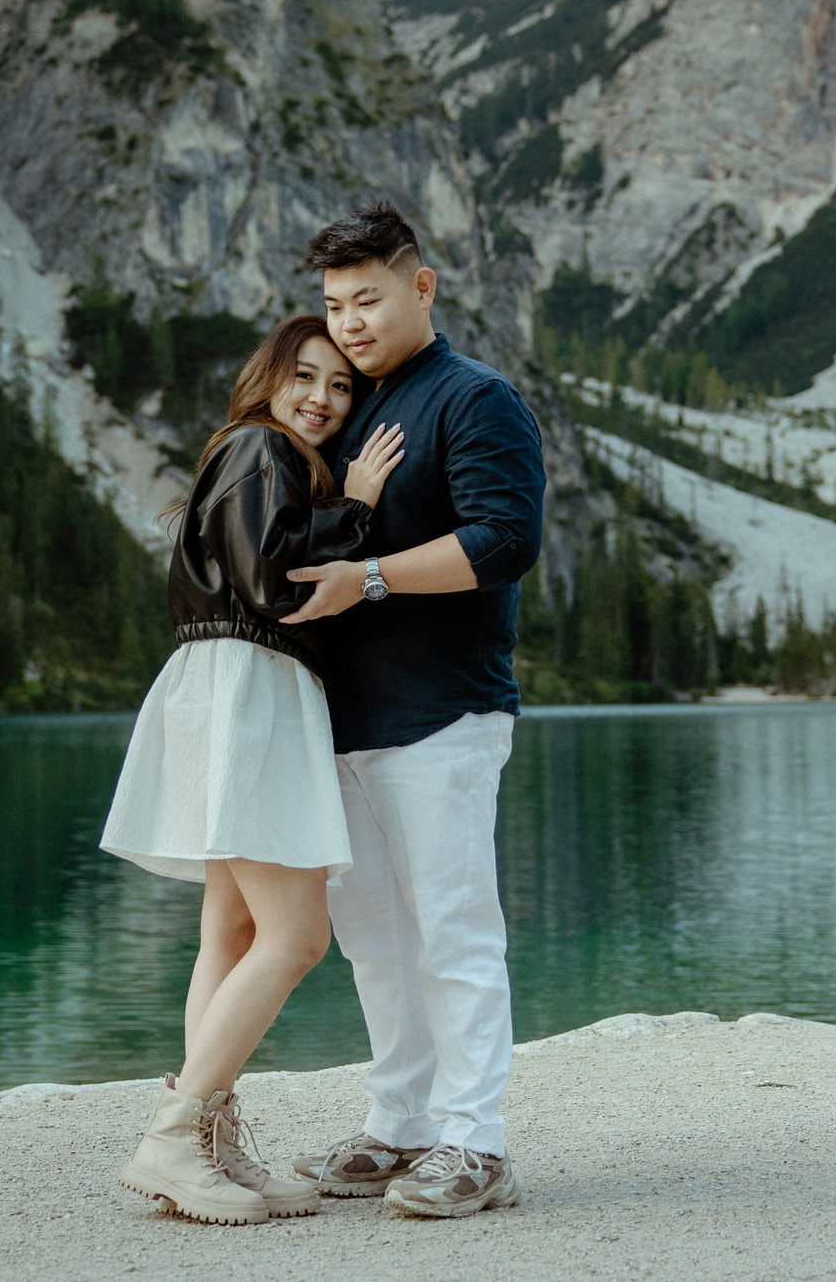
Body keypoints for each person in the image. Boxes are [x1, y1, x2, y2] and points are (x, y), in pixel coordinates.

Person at [100, 314, 408, 1226]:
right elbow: (276, 587)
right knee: (296, 937)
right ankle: (172, 1136)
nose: (321, 396)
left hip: (228, 688)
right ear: (267, 379)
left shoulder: (256, 456)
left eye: (340, 385)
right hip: (250, 690)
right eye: (304, 376)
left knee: (231, 933)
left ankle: (210, 1143)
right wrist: (355, 513)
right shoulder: (260, 449)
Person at [281, 201, 546, 1219]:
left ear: (421, 286)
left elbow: (505, 540)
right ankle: (399, 1125)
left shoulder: (476, 399)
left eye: (368, 298)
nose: (348, 321)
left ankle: (476, 1143)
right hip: (342, 720)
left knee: (452, 930)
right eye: (334, 303)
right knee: (375, 938)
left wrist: (372, 579)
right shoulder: (344, 403)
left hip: (443, 714)